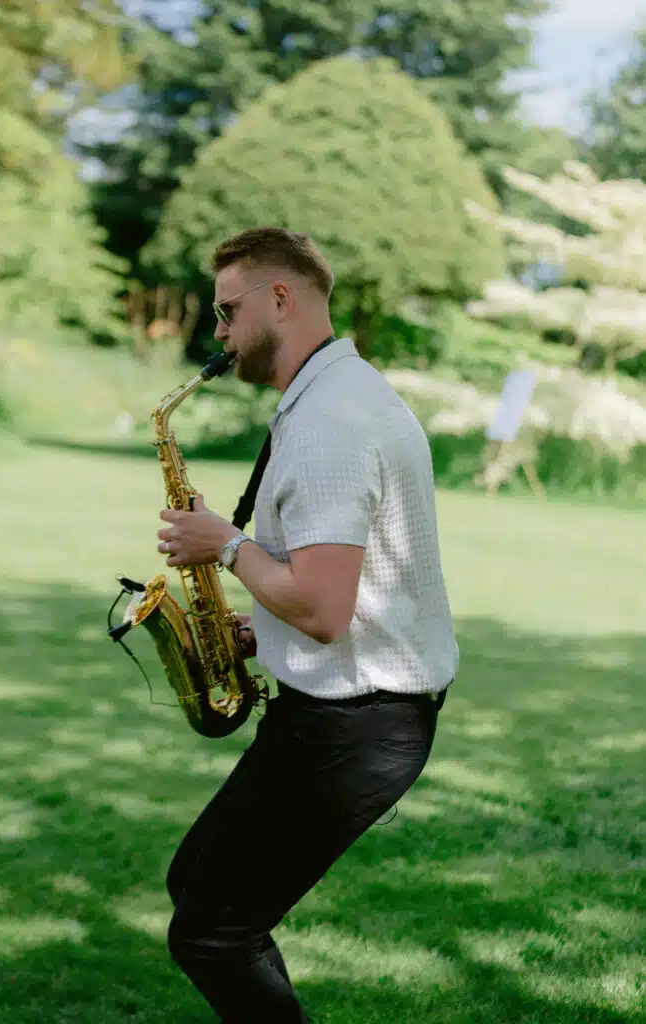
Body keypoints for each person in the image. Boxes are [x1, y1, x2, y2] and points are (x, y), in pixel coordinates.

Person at [155, 227, 459, 1023]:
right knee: (197, 889)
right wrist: (263, 628)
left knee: (213, 932)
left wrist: (224, 544)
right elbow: (342, 596)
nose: (217, 334)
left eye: (226, 311)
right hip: (340, 711)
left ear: (279, 298)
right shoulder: (336, 394)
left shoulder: (330, 420)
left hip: (353, 724)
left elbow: (323, 609)